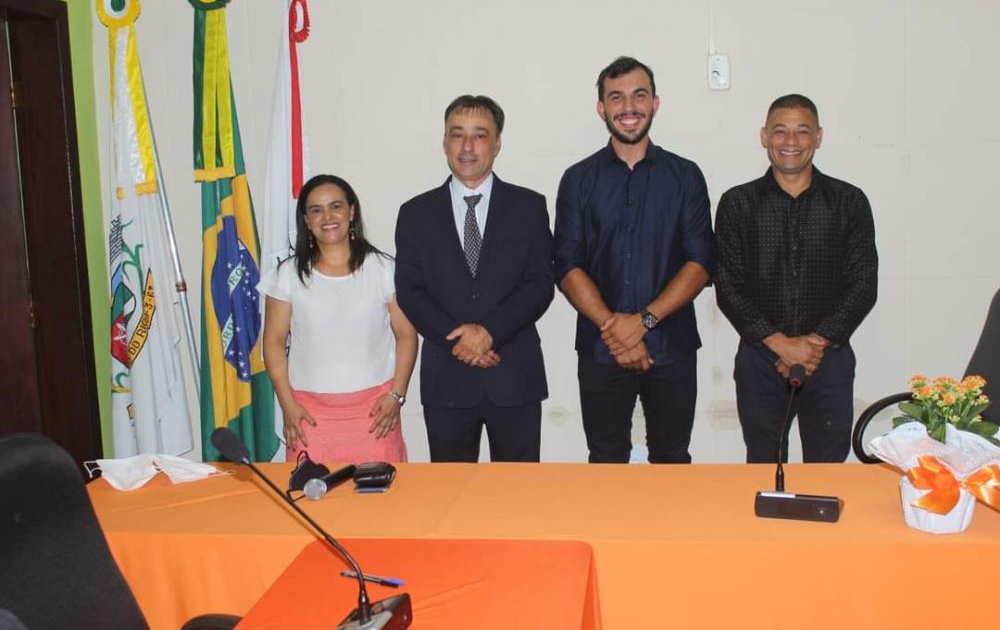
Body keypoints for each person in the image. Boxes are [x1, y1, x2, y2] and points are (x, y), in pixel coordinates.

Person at [554, 56, 715, 464]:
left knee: (672, 458)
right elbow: (566, 265)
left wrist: (641, 323)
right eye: (616, 97)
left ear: (655, 103)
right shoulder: (578, 180)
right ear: (601, 109)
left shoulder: (686, 176)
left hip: (672, 347)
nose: (629, 107)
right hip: (599, 349)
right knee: (606, 460)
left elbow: (700, 264)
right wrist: (616, 331)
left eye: (639, 95)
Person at [714, 94, 877, 463]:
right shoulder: (738, 204)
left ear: (818, 136)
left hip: (829, 358)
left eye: (801, 131)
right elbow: (727, 285)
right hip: (761, 358)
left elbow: (864, 283)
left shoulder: (849, 202)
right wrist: (781, 345)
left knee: (827, 470)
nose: (791, 142)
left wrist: (813, 346)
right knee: (763, 466)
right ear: (764, 136)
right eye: (780, 131)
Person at [394, 94, 553, 462]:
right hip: (447, 379)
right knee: (451, 501)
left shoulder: (528, 207)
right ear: (444, 142)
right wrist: (460, 343)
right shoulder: (416, 213)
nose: (467, 146)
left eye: (480, 135)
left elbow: (540, 283)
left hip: (514, 375)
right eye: (457, 134)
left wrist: (488, 333)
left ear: (497, 143)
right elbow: (411, 291)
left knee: (518, 498)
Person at [259, 174, 417, 463]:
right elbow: (273, 343)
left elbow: (406, 334)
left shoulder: (384, 269)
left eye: (336, 206)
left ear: (351, 211)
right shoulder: (287, 276)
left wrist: (397, 395)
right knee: (314, 502)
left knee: (381, 501)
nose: (327, 217)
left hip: (375, 414)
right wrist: (287, 404)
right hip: (308, 417)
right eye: (315, 210)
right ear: (306, 220)